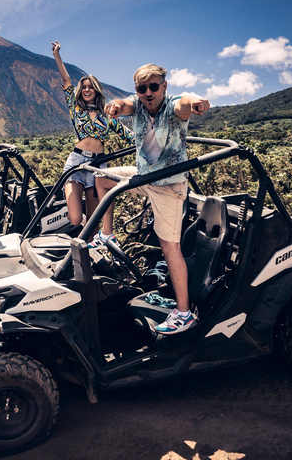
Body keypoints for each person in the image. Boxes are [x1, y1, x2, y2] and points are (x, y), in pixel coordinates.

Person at [96, 63, 210, 335]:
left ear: (164, 87)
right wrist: (114, 105)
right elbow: (124, 104)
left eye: (154, 86)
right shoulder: (138, 104)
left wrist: (195, 102)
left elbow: (186, 102)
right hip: (145, 176)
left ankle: (184, 313)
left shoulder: (172, 108)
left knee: (170, 247)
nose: (148, 92)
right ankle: (107, 234)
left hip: (169, 185)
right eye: (142, 87)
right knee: (101, 178)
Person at [51, 41, 134, 239]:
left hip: (98, 167)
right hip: (76, 163)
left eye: (91, 87)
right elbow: (66, 80)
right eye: (84, 87)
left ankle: (91, 256)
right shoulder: (75, 108)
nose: (87, 90)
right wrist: (57, 56)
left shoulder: (107, 117)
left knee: (93, 223)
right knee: (74, 218)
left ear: (96, 90)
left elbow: (129, 136)